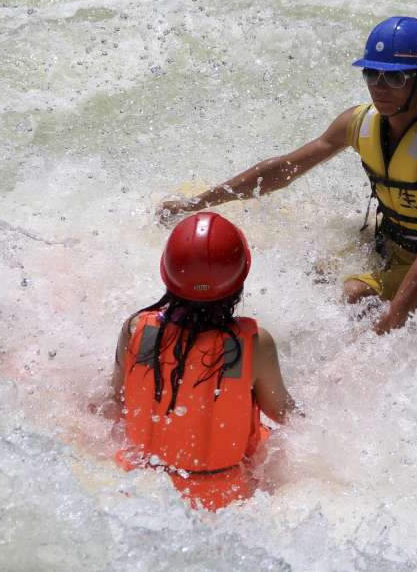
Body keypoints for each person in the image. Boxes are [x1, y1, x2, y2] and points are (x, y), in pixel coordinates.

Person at [160, 17, 417, 333]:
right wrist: (196, 203)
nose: (379, 87)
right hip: (393, 247)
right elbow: (284, 169)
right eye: (372, 73)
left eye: (395, 78)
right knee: (311, 272)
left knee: (352, 297)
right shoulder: (360, 122)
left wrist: (387, 328)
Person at [110, 212, 295, 511]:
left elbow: (116, 399)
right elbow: (283, 412)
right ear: (238, 282)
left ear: (168, 276)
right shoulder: (253, 345)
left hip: (142, 486)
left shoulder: (137, 331)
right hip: (224, 499)